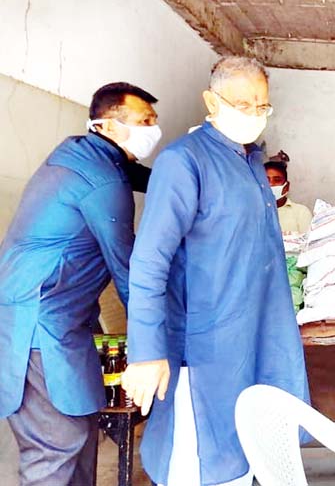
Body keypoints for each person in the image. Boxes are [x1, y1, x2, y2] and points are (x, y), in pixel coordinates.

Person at [122, 56, 310, 486]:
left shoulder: (250, 164)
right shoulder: (184, 162)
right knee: (201, 461)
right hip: (204, 352)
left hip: (257, 336)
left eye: (261, 106)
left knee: (246, 453)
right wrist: (148, 351)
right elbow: (150, 260)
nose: (253, 114)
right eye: (242, 104)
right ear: (211, 100)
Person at [0, 82, 160, 486]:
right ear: (107, 125)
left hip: (64, 318)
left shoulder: (83, 154)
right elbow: (129, 271)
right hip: (37, 323)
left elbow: (141, 174)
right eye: (144, 121)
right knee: (57, 442)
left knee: (85, 429)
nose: (153, 129)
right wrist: (154, 343)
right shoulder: (103, 183)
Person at [264, 160, 312, 233]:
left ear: (286, 186)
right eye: (266, 180)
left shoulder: (301, 212)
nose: (271, 184)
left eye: (277, 180)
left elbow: (308, 242)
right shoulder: (253, 213)